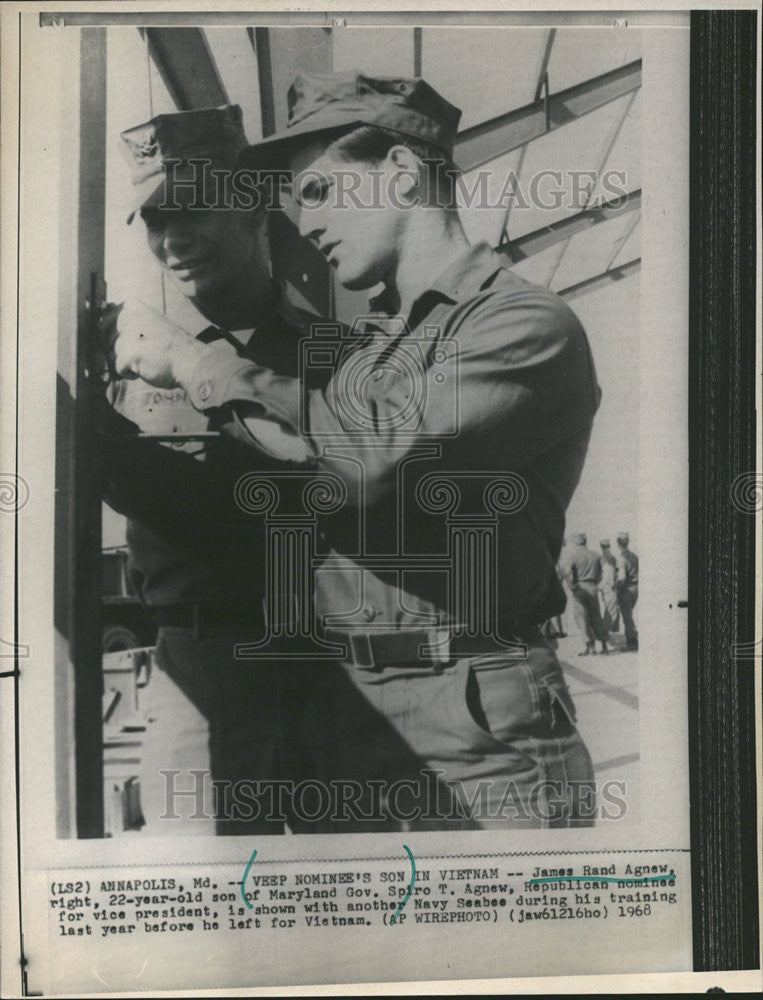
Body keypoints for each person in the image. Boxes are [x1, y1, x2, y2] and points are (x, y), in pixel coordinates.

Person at [108, 71, 602, 829]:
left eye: (317, 194)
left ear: (402, 174)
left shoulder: (522, 324)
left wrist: (199, 365)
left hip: (474, 722)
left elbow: (372, 460)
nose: (300, 221)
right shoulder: (372, 349)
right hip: (356, 719)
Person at [100, 105, 327, 835]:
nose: (175, 238)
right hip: (198, 670)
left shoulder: (339, 355)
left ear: (256, 207)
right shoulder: (122, 368)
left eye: (194, 207)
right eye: (157, 221)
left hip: (336, 668)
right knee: (195, 898)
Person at [561, 533, 610, 656]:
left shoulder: (573, 556)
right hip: (593, 587)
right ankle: (604, 646)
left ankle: (590, 647)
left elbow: (566, 572)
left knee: (582, 618)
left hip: (580, 589)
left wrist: (572, 586)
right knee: (596, 616)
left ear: (576, 543)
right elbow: (608, 568)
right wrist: (602, 584)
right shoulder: (595, 555)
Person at [615, 531, 639, 651]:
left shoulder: (622, 558)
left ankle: (632, 642)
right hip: (635, 588)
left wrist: (617, 589)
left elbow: (622, 577)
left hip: (626, 590)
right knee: (629, 615)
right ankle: (632, 639)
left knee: (627, 617)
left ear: (618, 543)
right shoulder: (634, 556)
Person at [598, 538, 620, 633]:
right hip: (610, 587)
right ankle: (604, 631)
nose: (607, 548)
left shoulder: (603, 558)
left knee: (611, 609)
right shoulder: (609, 559)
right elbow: (610, 574)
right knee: (611, 610)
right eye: (606, 547)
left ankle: (611, 629)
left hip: (607, 588)